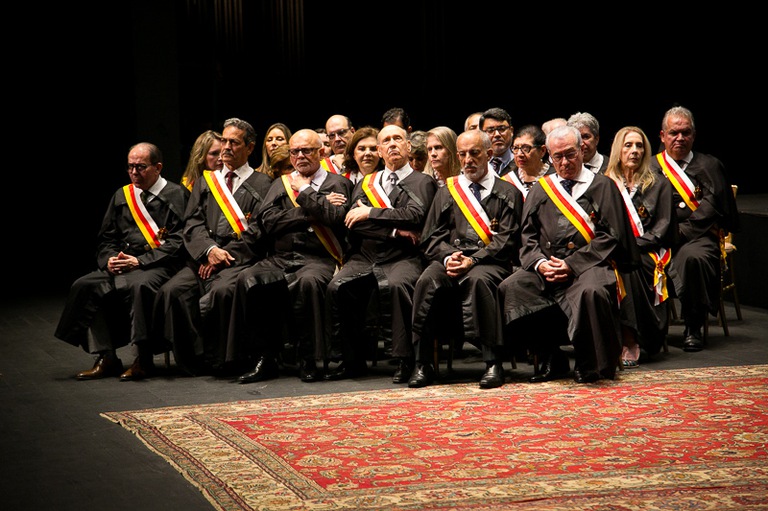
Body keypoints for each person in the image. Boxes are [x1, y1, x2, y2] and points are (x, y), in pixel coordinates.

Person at [499, 125, 639, 384]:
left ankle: (589, 362)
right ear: (549, 156)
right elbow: (527, 237)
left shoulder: (603, 186)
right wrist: (540, 264)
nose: (564, 162)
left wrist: (571, 265)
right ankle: (551, 356)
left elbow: (612, 236)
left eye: (570, 154)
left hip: (590, 264)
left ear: (581, 150)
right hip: (548, 266)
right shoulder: (542, 188)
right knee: (513, 288)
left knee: (592, 292)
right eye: (558, 156)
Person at [55, 143, 190, 381]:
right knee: (86, 285)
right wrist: (109, 260)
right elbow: (107, 237)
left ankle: (142, 358)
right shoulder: (122, 195)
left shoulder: (177, 195)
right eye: (130, 167)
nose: (134, 172)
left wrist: (140, 260)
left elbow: (179, 240)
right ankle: (106, 356)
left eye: (141, 167)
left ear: (158, 167)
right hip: (124, 262)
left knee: (139, 286)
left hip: (159, 264)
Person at [230, 129, 354, 384]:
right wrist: (309, 212)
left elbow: (334, 217)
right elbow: (267, 221)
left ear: (321, 152)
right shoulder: (281, 183)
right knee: (250, 279)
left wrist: (306, 191)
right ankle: (264, 358)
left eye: (306, 151)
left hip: (318, 258)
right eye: (295, 151)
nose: (299, 156)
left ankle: (309, 358)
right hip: (281, 257)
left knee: (308, 283)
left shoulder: (338, 183)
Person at [152, 118, 273, 376]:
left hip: (239, 259)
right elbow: (192, 222)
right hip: (204, 257)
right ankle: (192, 361)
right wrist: (208, 251)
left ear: (250, 148)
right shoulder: (206, 182)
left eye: (234, 142)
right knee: (173, 291)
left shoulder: (264, 184)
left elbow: (260, 230)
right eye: (224, 141)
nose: (226, 147)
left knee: (223, 292)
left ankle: (222, 360)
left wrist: (223, 256)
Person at [408, 129, 524, 389]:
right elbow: (431, 236)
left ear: (489, 154)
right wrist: (448, 256)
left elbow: (509, 239)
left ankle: (493, 362)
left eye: (474, 153)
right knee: (426, 281)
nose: (468, 160)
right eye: (462, 154)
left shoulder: (508, 192)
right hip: (452, 257)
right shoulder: (448, 190)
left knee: (479, 281)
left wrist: (475, 260)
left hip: (491, 261)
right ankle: (422, 363)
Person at [325, 124, 438, 382]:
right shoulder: (368, 182)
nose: (392, 144)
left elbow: (415, 215)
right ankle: (351, 360)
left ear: (408, 146)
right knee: (338, 286)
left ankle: (405, 359)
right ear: (379, 150)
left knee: (398, 285)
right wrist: (394, 231)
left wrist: (371, 212)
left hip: (404, 256)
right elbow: (353, 222)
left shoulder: (423, 181)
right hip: (366, 255)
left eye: (398, 138)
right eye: (386, 141)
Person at [650, 106, 739, 352]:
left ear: (694, 135)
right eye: (673, 133)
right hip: (659, 237)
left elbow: (713, 206)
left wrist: (681, 232)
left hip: (698, 236)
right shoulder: (650, 167)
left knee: (693, 259)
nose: (680, 138)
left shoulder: (710, 165)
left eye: (686, 133)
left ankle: (693, 326)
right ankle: (647, 333)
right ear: (662, 136)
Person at [604, 126, 678, 367]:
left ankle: (631, 339)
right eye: (628, 145)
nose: (634, 150)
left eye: (639, 146)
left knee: (627, 268)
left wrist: (631, 246)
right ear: (618, 150)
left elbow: (663, 229)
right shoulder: (605, 184)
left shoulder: (659, 184)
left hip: (649, 253)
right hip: (610, 252)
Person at [502, 124, 553, 199]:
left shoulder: (555, 178)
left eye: (526, 148)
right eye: (515, 148)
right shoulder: (507, 180)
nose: (519, 154)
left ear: (542, 150)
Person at [478, 107, 515, 177]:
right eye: (490, 130)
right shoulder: (477, 165)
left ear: (511, 131)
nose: (497, 134)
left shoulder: (522, 164)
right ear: (481, 134)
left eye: (502, 129)